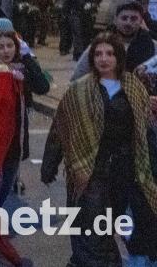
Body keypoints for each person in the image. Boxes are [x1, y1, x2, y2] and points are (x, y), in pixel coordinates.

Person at [42, 33, 157, 266]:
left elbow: (145, 132)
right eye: (98, 54)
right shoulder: (79, 90)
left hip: (124, 172)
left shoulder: (134, 87)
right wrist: (49, 165)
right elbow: (60, 128)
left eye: (110, 53)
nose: (104, 59)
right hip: (90, 170)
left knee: (105, 230)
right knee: (92, 232)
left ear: (119, 57)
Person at [0, 30, 50, 206]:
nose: (6, 51)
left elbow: (42, 87)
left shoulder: (22, 67)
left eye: (10, 46)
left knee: (6, 186)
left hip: (15, 141)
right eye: (1, 47)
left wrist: (27, 57)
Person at [72, 0, 157, 81]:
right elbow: (78, 77)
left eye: (133, 19)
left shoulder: (152, 46)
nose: (128, 23)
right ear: (115, 20)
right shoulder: (99, 45)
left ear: (141, 21)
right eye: (124, 18)